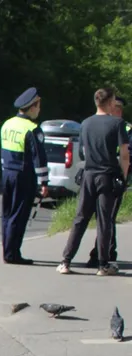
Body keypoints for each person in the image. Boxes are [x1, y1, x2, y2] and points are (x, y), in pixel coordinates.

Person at [58, 87, 129, 276]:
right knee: (104, 221)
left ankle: (65, 262)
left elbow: (83, 152)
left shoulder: (85, 123)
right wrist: (123, 177)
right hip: (107, 176)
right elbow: (124, 154)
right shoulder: (117, 123)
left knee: (80, 218)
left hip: (89, 175)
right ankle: (103, 265)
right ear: (110, 102)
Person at [0, 87, 49, 265]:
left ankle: (7, 250)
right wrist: (44, 182)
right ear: (32, 107)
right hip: (23, 176)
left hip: (7, 173)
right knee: (19, 215)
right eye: (38, 106)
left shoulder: (7, 124)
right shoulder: (32, 129)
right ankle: (13, 254)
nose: (39, 110)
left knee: (7, 213)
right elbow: (39, 158)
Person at [86, 95, 130, 267]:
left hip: (115, 178)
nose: (114, 110)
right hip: (101, 175)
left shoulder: (126, 129)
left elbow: (127, 156)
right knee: (104, 217)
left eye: (116, 108)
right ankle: (108, 252)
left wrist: (123, 178)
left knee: (107, 216)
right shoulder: (103, 125)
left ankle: (101, 254)